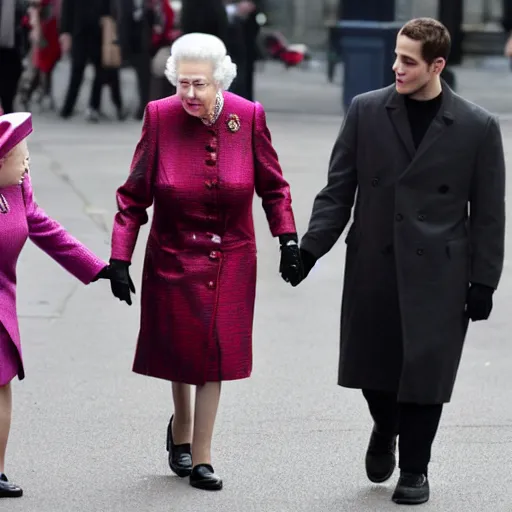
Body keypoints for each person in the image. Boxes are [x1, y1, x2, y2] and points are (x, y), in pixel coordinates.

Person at [295, 18, 505, 505]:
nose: (396, 67)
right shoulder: (366, 111)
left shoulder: (476, 126)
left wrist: (484, 281)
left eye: (408, 61)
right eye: (395, 56)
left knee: (425, 375)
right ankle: (384, 426)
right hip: (375, 260)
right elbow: (337, 191)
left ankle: (415, 469)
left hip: (441, 272)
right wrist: (309, 249)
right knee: (375, 370)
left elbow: (490, 214)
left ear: (437, 65)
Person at [108, 32, 301, 490]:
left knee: (213, 351)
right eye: (183, 84)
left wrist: (288, 238)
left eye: (200, 85)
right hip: (174, 250)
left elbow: (274, 187)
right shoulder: (159, 117)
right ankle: (181, 428)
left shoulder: (248, 117)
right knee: (181, 349)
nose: (190, 94)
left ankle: (201, 455)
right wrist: (120, 257)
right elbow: (133, 195)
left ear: (220, 82)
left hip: (231, 253)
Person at [0, 112, 123, 497]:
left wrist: (96, 267)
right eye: (22, 156)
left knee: (1, 384)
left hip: (2, 300)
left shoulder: (17, 187)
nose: (27, 164)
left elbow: (38, 222)